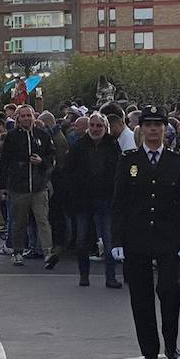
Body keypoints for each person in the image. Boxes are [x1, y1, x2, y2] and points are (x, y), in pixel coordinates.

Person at [112, 106, 180, 359]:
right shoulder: (128, 161)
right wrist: (117, 241)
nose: (153, 130)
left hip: (167, 238)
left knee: (170, 292)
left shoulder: (175, 161)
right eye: (148, 125)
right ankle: (149, 350)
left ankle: (172, 346)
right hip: (137, 238)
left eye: (158, 125)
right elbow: (120, 203)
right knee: (141, 296)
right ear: (142, 129)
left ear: (165, 130)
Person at [0, 105, 59, 269]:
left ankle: (48, 252)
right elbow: (4, 162)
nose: (26, 118)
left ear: (33, 117)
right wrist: (2, 186)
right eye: (23, 116)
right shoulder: (12, 137)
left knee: (43, 220)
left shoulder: (43, 135)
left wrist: (42, 162)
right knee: (19, 221)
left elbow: (52, 157)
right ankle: (17, 251)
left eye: (28, 115)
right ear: (18, 118)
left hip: (39, 186)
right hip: (19, 187)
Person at [70, 114, 121, 289]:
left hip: (106, 199)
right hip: (83, 199)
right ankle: (84, 275)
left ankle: (111, 277)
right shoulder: (79, 146)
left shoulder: (113, 146)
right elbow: (70, 172)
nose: (95, 129)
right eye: (92, 125)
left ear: (105, 127)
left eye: (99, 125)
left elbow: (119, 172)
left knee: (109, 239)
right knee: (82, 239)